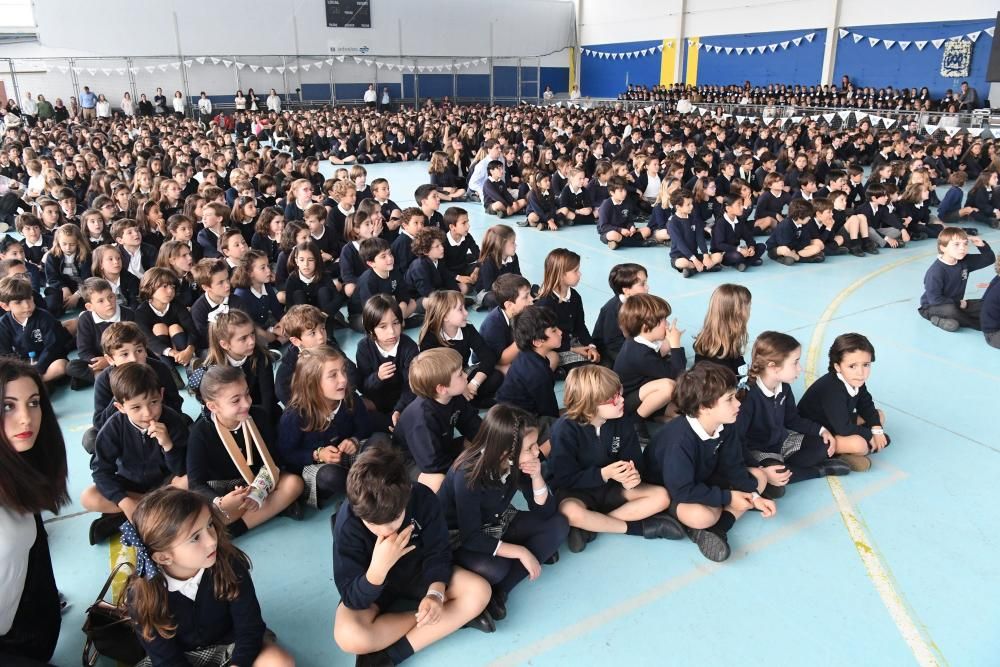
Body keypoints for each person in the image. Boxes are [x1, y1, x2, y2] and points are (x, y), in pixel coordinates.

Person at [332, 446, 495, 664]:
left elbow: (438, 551)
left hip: (419, 570)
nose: (384, 531)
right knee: (348, 636)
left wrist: (436, 594)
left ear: (407, 493)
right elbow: (352, 595)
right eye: (372, 524)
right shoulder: (348, 523)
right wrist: (377, 571)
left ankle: (390, 655)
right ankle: (449, 619)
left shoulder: (422, 497)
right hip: (375, 588)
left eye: (393, 520)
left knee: (479, 591)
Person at [122, 487, 295, 666]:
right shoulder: (141, 595)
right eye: (195, 537)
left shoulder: (230, 564)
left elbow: (250, 629)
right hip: (181, 658)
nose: (212, 541)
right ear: (163, 557)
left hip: (230, 644)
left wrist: (238, 663)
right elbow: (167, 659)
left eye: (210, 525)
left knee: (279, 662)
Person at [439, 404, 568, 622]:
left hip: (500, 520)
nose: (537, 452)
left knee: (558, 525)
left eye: (535, 444)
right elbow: (471, 537)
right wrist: (520, 552)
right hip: (461, 538)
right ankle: (521, 562)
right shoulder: (467, 474)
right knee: (497, 568)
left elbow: (545, 512)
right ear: (506, 451)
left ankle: (500, 592)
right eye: (530, 448)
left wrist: (537, 477)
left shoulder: (518, 461)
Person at [643, 363, 774, 563]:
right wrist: (728, 497)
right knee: (701, 516)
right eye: (729, 399)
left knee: (759, 478)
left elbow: (734, 464)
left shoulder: (725, 424)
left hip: (705, 476)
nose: (738, 404)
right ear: (704, 407)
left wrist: (755, 497)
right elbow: (682, 490)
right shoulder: (679, 442)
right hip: (675, 489)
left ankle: (717, 529)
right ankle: (706, 524)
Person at [547, 364, 684, 553]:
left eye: (619, 393)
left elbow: (635, 460)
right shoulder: (564, 430)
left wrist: (633, 476)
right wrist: (602, 474)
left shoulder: (622, 421)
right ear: (589, 404)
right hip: (577, 490)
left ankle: (592, 525)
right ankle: (638, 528)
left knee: (661, 497)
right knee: (570, 512)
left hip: (612, 487)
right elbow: (564, 478)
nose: (621, 400)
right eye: (613, 399)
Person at [0, 359, 68, 664]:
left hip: (27, 630)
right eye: (7, 407)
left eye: (34, 403)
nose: (26, 419)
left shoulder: (19, 471)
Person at [186, 365, 305, 536]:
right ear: (213, 406)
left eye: (247, 394)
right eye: (235, 400)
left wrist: (259, 490)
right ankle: (272, 509)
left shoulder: (259, 416)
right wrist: (221, 501)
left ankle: (236, 528)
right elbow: (196, 484)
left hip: (258, 479)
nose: (247, 403)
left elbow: (274, 461)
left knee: (294, 483)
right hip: (223, 490)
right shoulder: (200, 433)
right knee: (202, 515)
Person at [82, 362, 190, 543]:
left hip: (164, 483)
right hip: (130, 486)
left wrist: (168, 445)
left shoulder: (173, 420)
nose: (148, 413)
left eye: (154, 402)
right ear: (120, 407)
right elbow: (101, 471)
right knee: (88, 497)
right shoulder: (113, 427)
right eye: (136, 407)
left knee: (188, 480)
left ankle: (132, 515)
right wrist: (124, 500)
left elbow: (182, 469)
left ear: (161, 395)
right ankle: (151, 511)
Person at [737, 331, 850, 491]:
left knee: (821, 446)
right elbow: (737, 441)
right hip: (756, 451)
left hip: (781, 442)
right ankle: (818, 470)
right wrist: (758, 468)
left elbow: (792, 419)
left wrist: (821, 430)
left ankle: (784, 473)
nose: (800, 368)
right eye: (795, 362)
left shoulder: (784, 388)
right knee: (777, 479)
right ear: (773, 367)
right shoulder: (749, 397)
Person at [278, 345, 385, 508]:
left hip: (348, 457)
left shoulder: (349, 397)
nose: (343, 379)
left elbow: (365, 426)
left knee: (381, 441)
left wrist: (354, 440)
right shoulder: (294, 415)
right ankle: (364, 496)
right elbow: (286, 455)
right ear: (312, 383)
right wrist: (317, 455)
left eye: (343, 371)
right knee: (331, 476)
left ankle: (362, 486)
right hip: (318, 466)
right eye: (333, 375)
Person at [798, 333, 889, 473]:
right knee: (860, 445)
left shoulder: (855, 380)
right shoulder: (831, 389)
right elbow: (844, 428)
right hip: (816, 432)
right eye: (852, 366)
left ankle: (851, 451)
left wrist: (877, 429)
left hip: (836, 421)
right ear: (838, 366)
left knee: (879, 415)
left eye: (866, 365)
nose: (861, 372)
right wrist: (870, 435)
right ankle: (839, 454)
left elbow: (866, 404)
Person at [395, 348, 482, 492]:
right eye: (460, 374)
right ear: (442, 389)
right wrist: (464, 468)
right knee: (439, 482)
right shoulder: (422, 419)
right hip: (411, 461)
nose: (466, 375)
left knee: (478, 443)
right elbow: (432, 465)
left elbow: (472, 424)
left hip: (440, 447)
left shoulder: (455, 396)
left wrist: (490, 444)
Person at [918, 228, 995, 332]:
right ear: (943, 247)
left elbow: (989, 259)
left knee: (987, 304)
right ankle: (982, 325)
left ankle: (945, 320)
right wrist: (959, 303)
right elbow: (935, 300)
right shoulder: (935, 272)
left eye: (965, 244)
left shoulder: (964, 261)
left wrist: (981, 245)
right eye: (956, 244)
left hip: (956, 303)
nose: (962, 248)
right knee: (952, 310)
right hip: (932, 307)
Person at [591, 263, 647, 367]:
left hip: (630, 343)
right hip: (609, 348)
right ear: (626, 290)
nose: (647, 287)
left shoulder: (640, 302)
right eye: (642, 284)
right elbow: (612, 342)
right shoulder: (611, 309)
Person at [692, 283, 752, 378]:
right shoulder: (719, 354)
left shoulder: (720, 340)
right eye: (748, 308)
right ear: (737, 314)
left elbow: (739, 365)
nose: (749, 311)